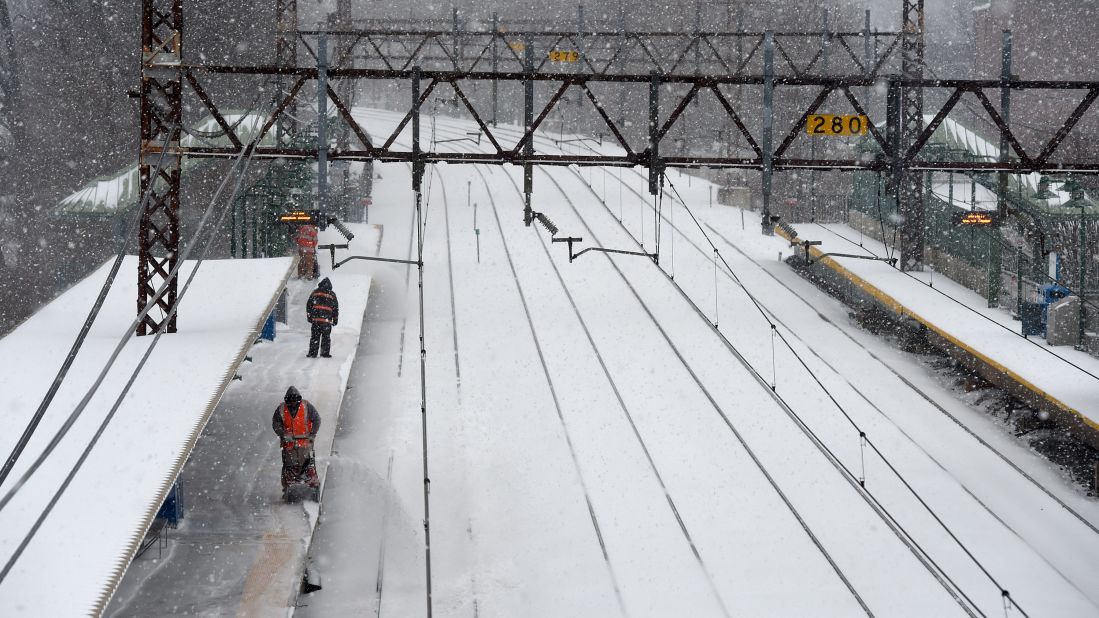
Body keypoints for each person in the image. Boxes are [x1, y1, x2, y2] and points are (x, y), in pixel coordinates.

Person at [271, 386, 321, 496]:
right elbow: (276, 424)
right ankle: (288, 487)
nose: (293, 404)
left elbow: (317, 419)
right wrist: (283, 434)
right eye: (290, 401)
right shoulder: (281, 409)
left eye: (295, 401)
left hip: (305, 444)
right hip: (289, 445)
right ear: (287, 400)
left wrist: (312, 434)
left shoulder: (306, 406)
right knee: (289, 467)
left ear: (298, 399)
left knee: (308, 465)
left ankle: (311, 482)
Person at [306, 277, 339, 358]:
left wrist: (309, 317)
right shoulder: (332, 294)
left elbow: (309, 305)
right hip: (326, 321)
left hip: (316, 320)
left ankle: (313, 353)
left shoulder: (315, 292)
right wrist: (335, 320)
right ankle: (324, 353)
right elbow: (335, 309)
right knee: (326, 337)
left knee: (314, 337)